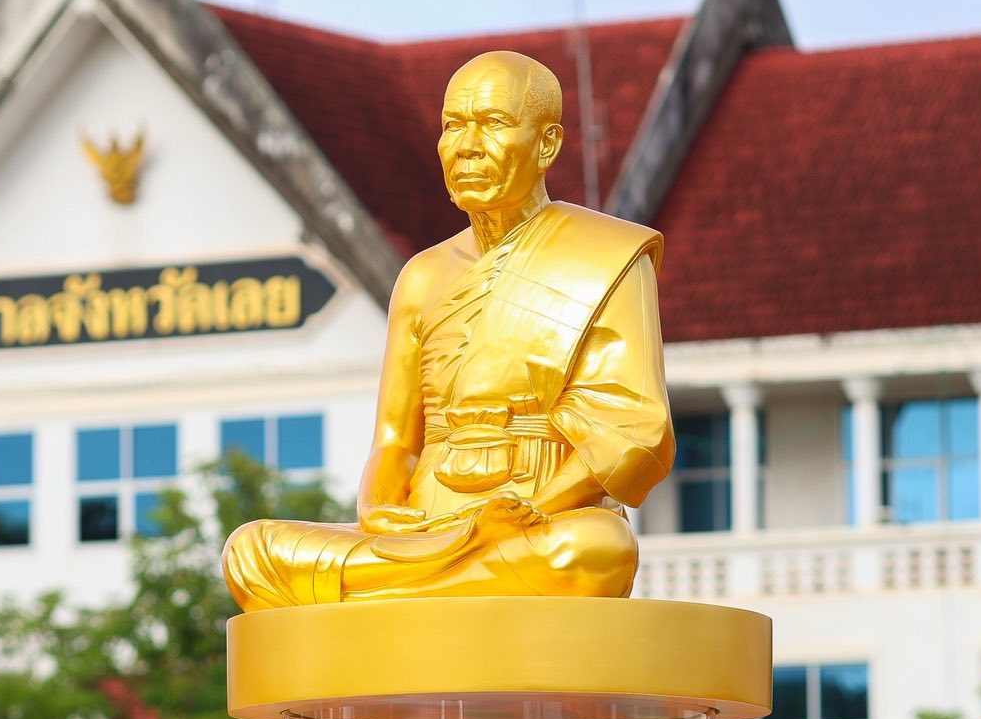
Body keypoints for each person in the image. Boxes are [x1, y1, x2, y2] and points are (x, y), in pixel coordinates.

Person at [222, 49, 674, 609]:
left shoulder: (606, 256)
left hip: (539, 516)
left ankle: (392, 593)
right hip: (427, 524)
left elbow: (636, 428)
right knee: (251, 551)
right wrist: (379, 509)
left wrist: (533, 510)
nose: (468, 146)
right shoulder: (422, 277)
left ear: (547, 144)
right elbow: (395, 442)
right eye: (453, 126)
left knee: (595, 549)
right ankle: (435, 579)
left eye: (493, 123)